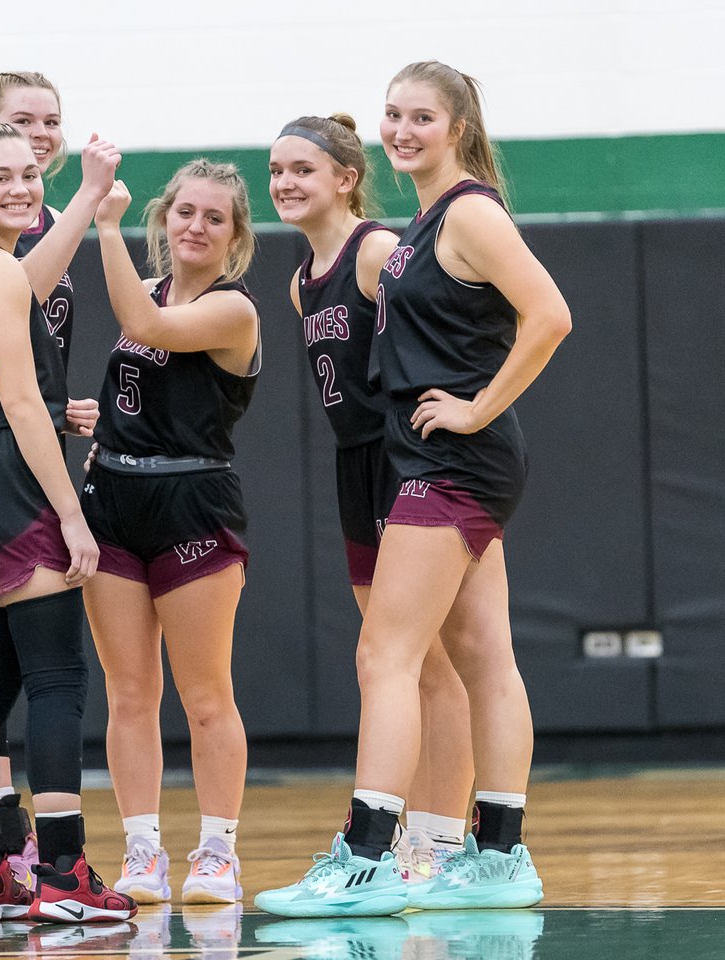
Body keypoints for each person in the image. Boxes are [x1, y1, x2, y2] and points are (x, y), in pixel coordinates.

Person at [256, 61, 570, 918]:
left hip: (454, 458)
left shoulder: (468, 211)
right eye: (392, 114)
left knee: (384, 655)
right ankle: (498, 856)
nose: (401, 130)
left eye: (420, 117)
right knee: (484, 659)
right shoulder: (431, 221)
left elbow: (551, 315)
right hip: (440, 456)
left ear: (457, 127)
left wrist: (477, 408)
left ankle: (366, 859)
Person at [0, 121, 135, 924]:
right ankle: (63, 872)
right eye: (1, 177)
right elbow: (19, 402)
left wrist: (83, 194)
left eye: (29, 175)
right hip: (2, 474)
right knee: (56, 677)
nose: (20, 188)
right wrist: (71, 515)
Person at [267, 115, 475, 882]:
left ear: (346, 178)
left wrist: (465, 416)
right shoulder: (300, 281)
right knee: (399, 665)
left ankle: (438, 840)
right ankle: (414, 838)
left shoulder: (378, 250)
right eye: (276, 170)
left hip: (407, 459)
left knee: (426, 663)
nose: (285, 182)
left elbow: (450, 336)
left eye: (303, 169)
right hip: (353, 466)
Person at [82, 160, 260, 905]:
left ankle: (217, 852)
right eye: (185, 211)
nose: (196, 226)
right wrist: (100, 420)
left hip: (192, 502)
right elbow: (148, 374)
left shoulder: (234, 310)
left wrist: (104, 223)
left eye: (214, 217)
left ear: (235, 235)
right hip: (113, 498)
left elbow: (146, 329)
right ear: (165, 216)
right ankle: (142, 850)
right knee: (128, 692)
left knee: (205, 694)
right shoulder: (150, 289)